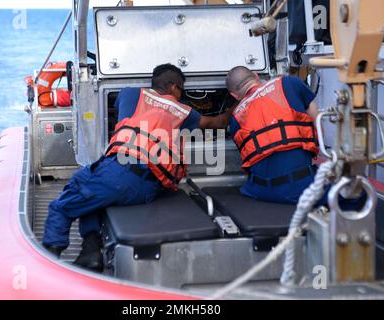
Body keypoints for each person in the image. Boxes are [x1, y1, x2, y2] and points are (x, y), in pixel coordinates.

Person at [43, 63, 233, 271]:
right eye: (182, 90)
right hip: (147, 189)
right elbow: (219, 122)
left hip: (119, 174)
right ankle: (90, 254)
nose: (182, 95)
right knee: (92, 200)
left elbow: (122, 117)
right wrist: (237, 105)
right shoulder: (185, 113)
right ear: (173, 87)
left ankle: (49, 265)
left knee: (62, 206)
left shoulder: (131, 94)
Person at [226, 66, 320, 204]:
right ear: (256, 76)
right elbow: (318, 124)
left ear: (234, 95)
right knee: (354, 195)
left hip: (263, 191)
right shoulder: (290, 83)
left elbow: (249, 162)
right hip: (303, 187)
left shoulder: (235, 119)